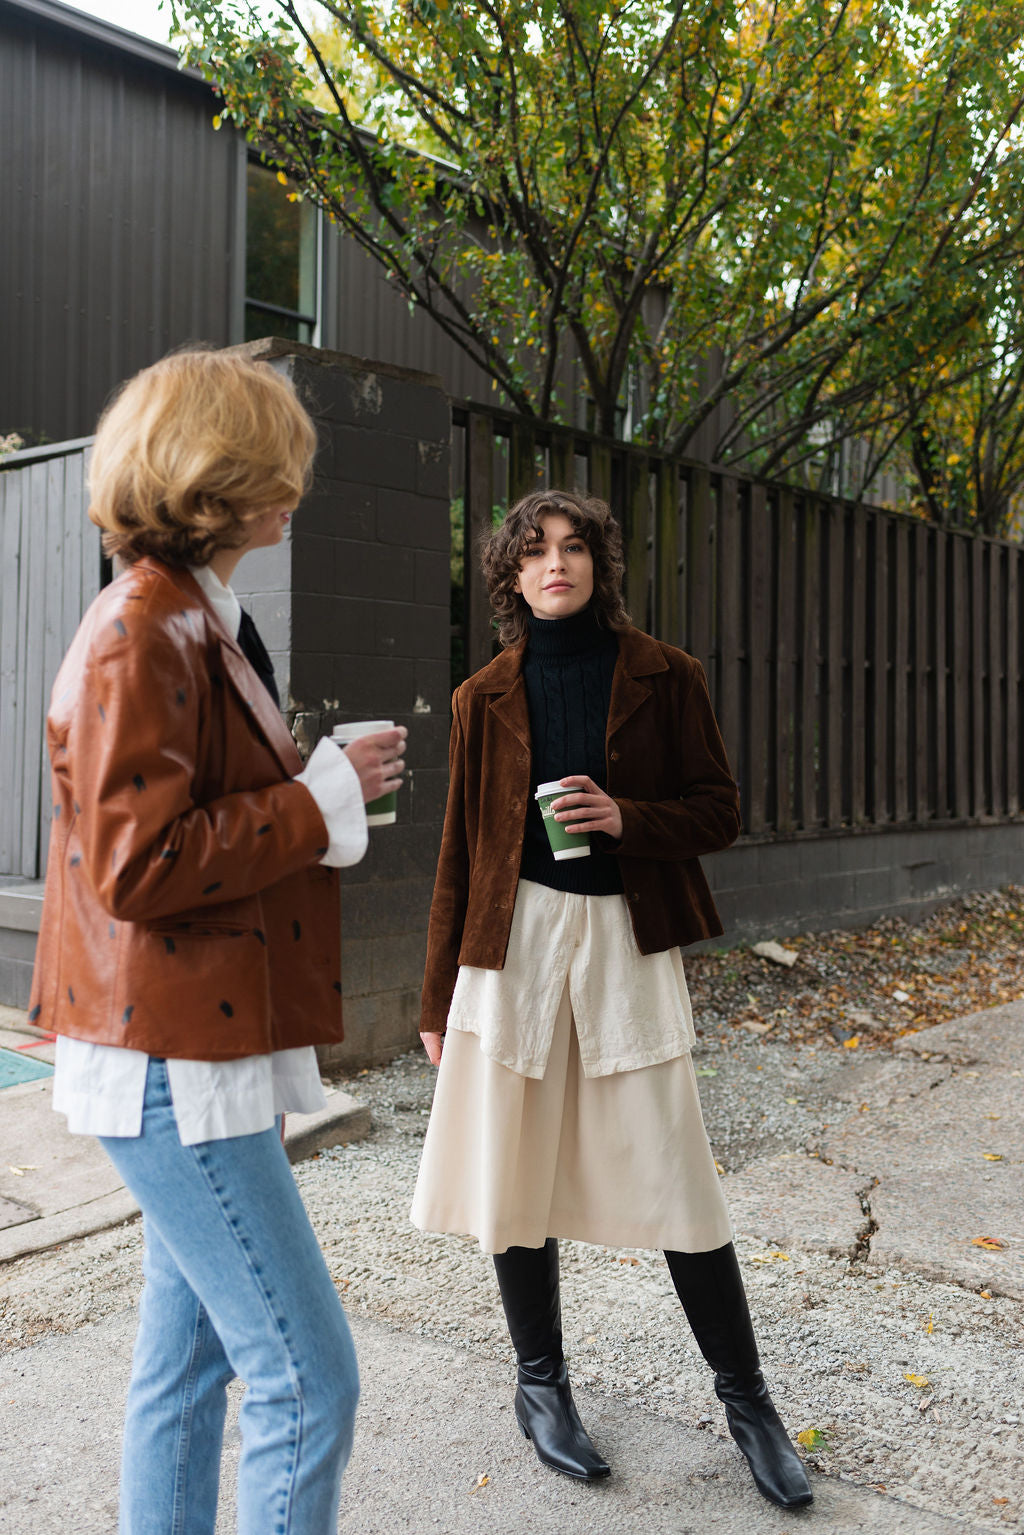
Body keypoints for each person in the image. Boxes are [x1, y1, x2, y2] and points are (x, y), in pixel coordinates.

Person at [28, 348, 406, 1535]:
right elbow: (141, 866)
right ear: (215, 479)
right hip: (170, 1064)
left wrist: (312, 784)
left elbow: (170, 825)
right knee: (307, 1378)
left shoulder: (190, 617)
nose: (296, 482)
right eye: (274, 463)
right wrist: (320, 793)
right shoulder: (145, 628)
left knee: (188, 1373)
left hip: (185, 1048)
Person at [411, 488, 811, 1510]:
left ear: (599, 563)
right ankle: (540, 1386)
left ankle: (749, 1402)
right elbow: (457, 852)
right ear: (508, 574)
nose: (557, 563)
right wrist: (433, 994)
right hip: (511, 948)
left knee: (675, 1168)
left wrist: (625, 815)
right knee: (514, 1166)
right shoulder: (479, 696)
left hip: (625, 941)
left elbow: (718, 809)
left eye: (574, 546)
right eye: (536, 550)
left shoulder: (664, 676)